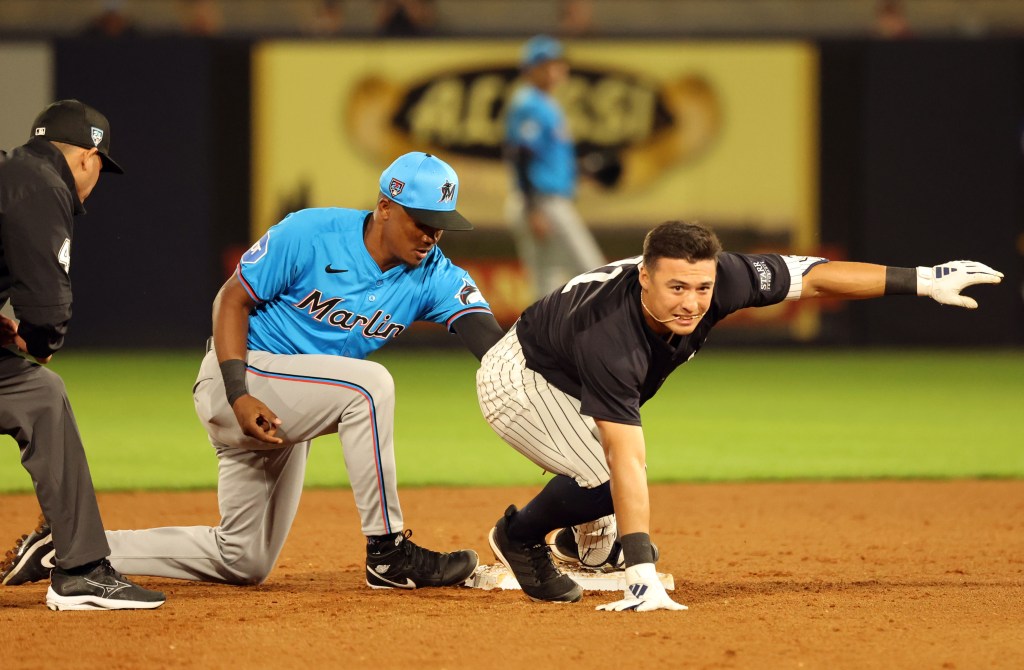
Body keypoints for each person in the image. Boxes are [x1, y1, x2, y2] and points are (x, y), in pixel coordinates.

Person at [2, 151, 505, 592]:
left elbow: (491, 344)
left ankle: (69, 546)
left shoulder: (436, 273)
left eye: (441, 223)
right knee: (370, 388)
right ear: (385, 207)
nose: (432, 235)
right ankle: (390, 553)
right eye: (421, 220)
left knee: (243, 559)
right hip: (239, 380)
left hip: (292, 409)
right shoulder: (310, 232)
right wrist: (239, 391)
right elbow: (231, 301)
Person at [476, 220, 1003, 610]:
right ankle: (519, 536)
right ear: (644, 277)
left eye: (701, 287)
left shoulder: (724, 277)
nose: (691, 303)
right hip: (521, 379)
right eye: (676, 287)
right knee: (603, 473)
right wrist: (642, 571)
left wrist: (924, 279)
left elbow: (816, 278)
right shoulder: (611, 338)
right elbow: (627, 458)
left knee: (599, 528)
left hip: (568, 368)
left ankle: (583, 542)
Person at [0, 100, 165, 610]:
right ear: (89, 157)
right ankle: (81, 570)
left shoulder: (13, 173)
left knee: (38, 397)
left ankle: (79, 564)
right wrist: (41, 339)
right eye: (100, 168)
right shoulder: (41, 183)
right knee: (39, 389)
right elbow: (47, 300)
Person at [504, 35, 604, 302]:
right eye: (546, 64)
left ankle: (543, 342)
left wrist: (585, 171)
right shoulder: (529, 103)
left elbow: (544, 159)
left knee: (548, 282)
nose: (555, 69)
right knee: (592, 270)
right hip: (542, 202)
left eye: (557, 63)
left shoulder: (546, 103)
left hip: (547, 200)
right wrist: (532, 208)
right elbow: (520, 155)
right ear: (530, 70)